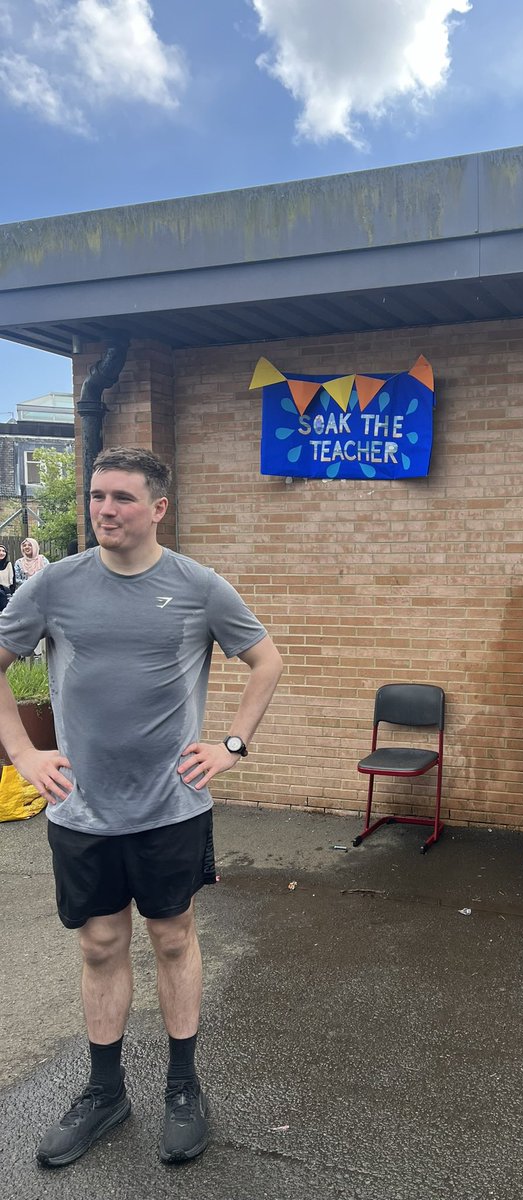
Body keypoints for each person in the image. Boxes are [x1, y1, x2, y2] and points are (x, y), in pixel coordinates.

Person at [0, 446, 283, 1169]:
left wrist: (231, 743)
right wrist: (24, 755)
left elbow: (266, 659)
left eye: (122, 498)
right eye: (97, 496)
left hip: (171, 806)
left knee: (172, 938)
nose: (104, 510)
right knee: (98, 944)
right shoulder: (55, 586)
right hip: (81, 810)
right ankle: (104, 1092)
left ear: (158, 508)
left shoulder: (198, 586)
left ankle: (184, 1088)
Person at [0, 545, 15, 610]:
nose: (1, 553)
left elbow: (13, 582)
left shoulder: (9, 565)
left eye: (3, 551)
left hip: (6, 593)